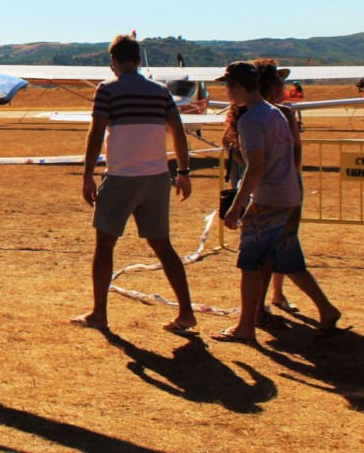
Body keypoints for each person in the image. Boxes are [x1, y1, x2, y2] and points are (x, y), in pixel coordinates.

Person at [71, 34, 197, 332]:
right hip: (156, 179)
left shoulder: (107, 89)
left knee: (104, 245)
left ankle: (99, 314)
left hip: (121, 177)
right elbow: (178, 131)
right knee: (163, 246)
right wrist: (184, 171)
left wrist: (87, 174)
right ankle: (186, 312)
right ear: (139, 61)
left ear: (113, 62)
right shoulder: (160, 91)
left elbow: (96, 133)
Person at [214, 62, 341, 342]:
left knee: (249, 263)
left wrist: (236, 207)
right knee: (285, 256)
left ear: (239, 86)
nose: (226, 91)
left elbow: (255, 167)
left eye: (229, 86)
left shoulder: (250, 119)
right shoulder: (276, 114)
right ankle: (326, 309)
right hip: (287, 195)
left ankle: (246, 326)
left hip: (268, 197)